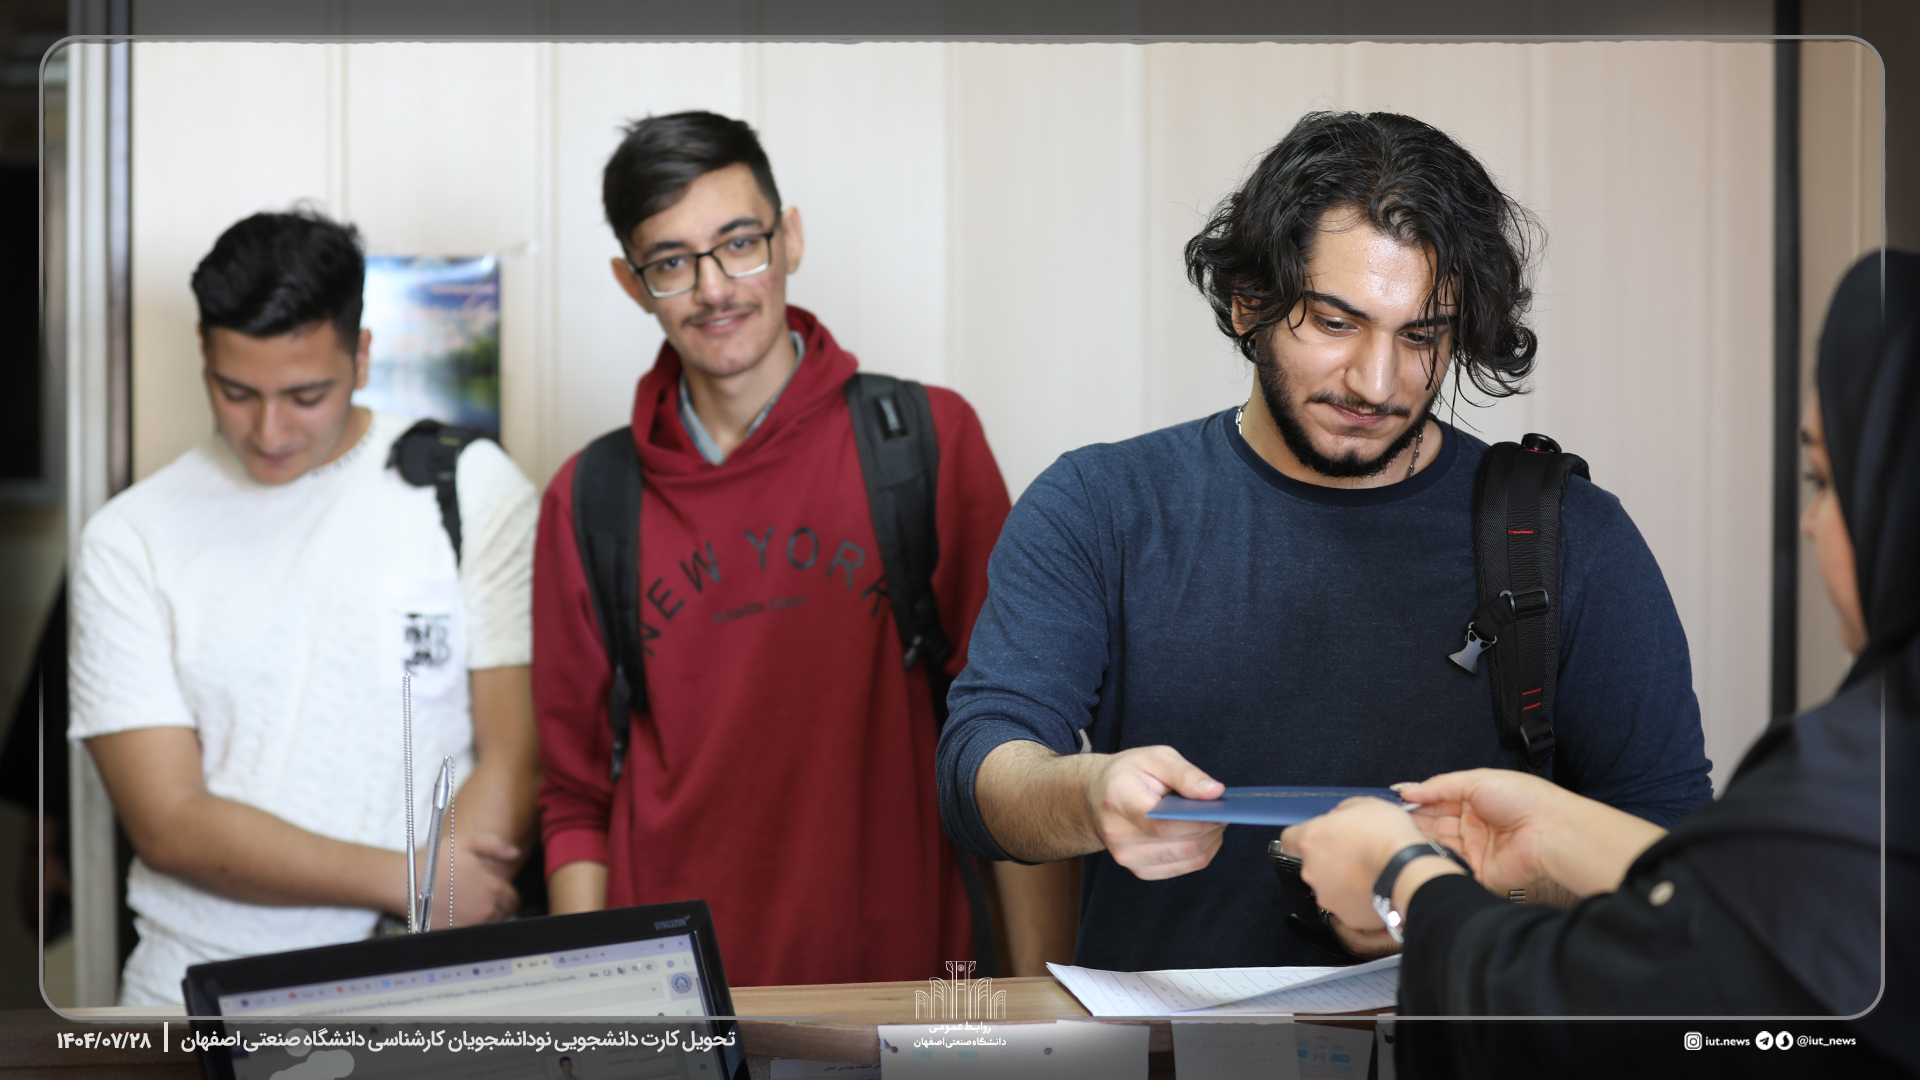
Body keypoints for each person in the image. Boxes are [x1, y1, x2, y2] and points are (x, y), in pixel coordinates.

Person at [934, 110, 1714, 972]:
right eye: (1337, 323)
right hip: (1169, 1041)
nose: (1377, 383)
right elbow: (981, 769)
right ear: (1249, 302)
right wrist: (1089, 795)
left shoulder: (1568, 535)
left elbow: (1671, 857)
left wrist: (1438, 893)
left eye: (1421, 336)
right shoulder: (1101, 507)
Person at [1279, 250, 1917, 1073]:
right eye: (1336, 322)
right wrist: (1560, 835)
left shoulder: (1867, 787)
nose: (1810, 522)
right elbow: (1749, 919)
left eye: (1823, 480)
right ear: (1250, 303)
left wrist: (1403, 876)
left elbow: (1631, 1022)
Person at [531, 111, 1069, 987]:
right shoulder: (589, 499)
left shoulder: (924, 443)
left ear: (790, 239)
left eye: (739, 243)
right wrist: (600, 1019)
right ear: (633, 284)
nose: (714, 288)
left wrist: (1042, 1001)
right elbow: (577, 796)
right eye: (671, 261)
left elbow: (1017, 746)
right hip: (678, 1005)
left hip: (909, 992)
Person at [70, 211, 540, 1005]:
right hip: (198, 989)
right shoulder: (129, 539)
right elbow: (168, 819)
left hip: (426, 983)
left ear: (361, 356)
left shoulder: (468, 486)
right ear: (203, 350)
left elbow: (516, 753)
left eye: (306, 395)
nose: (269, 430)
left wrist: (424, 918)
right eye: (236, 392)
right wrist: (410, 882)